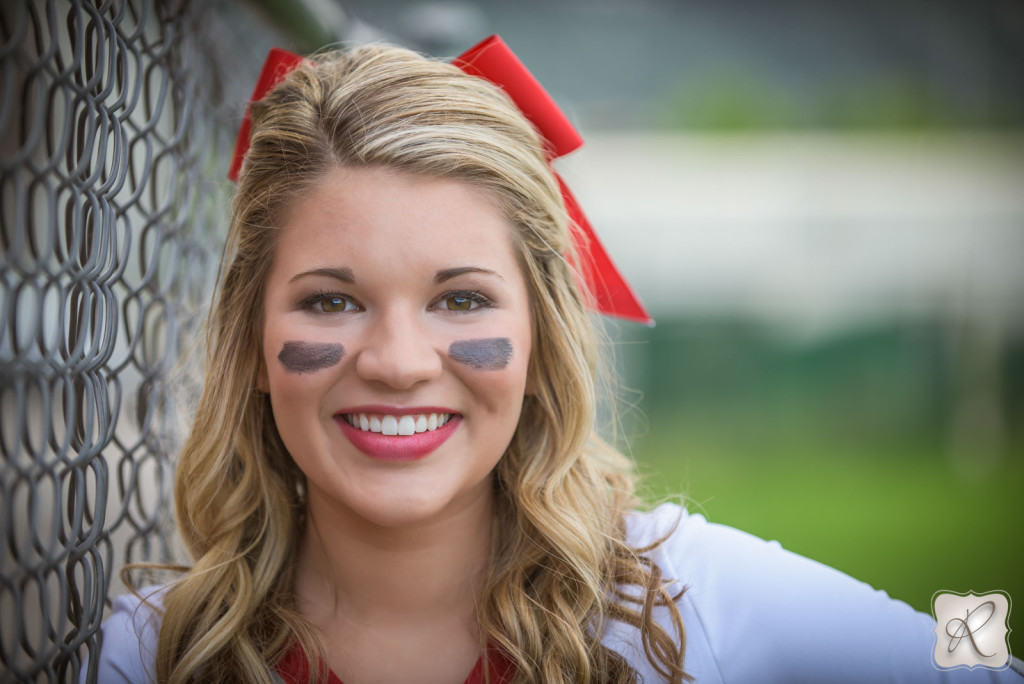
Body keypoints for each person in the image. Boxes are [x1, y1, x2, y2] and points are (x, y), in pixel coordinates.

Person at [91, 37, 1023, 684]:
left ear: (541, 342)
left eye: (461, 299)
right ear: (252, 342)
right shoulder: (159, 651)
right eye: (332, 301)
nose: (400, 362)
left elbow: (969, 653)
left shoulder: (682, 599)